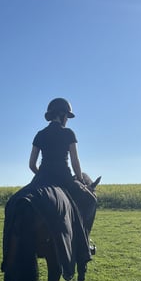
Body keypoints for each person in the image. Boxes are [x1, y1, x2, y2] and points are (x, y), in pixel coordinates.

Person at [29, 97, 97, 243]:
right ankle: (84, 241)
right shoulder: (68, 133)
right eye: (67, 116)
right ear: (62, 114)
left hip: (42, 178)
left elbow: (31, 164)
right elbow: (75, 162)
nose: (67, 120)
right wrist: (80, 179)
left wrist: (41, 175)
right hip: (64, 178)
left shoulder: (40, 134)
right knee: (90, 200)